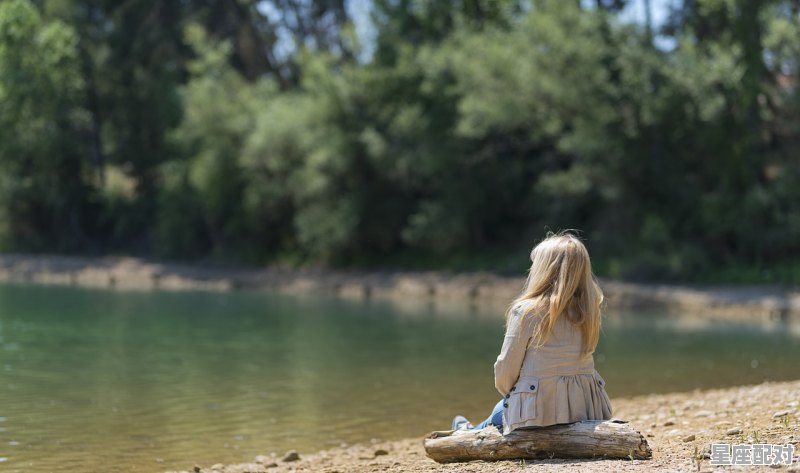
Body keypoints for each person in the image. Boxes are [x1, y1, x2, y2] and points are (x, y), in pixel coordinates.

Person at [452, 232, 613, 434]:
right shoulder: (589, 310)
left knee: (500, 409)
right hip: (585, 409)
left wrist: (515, 396)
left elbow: (506, 370)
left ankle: (467, 433)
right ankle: (469, 430)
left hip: (538, 414)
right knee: (499, 410)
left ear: (544, 270)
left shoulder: (527, 311)